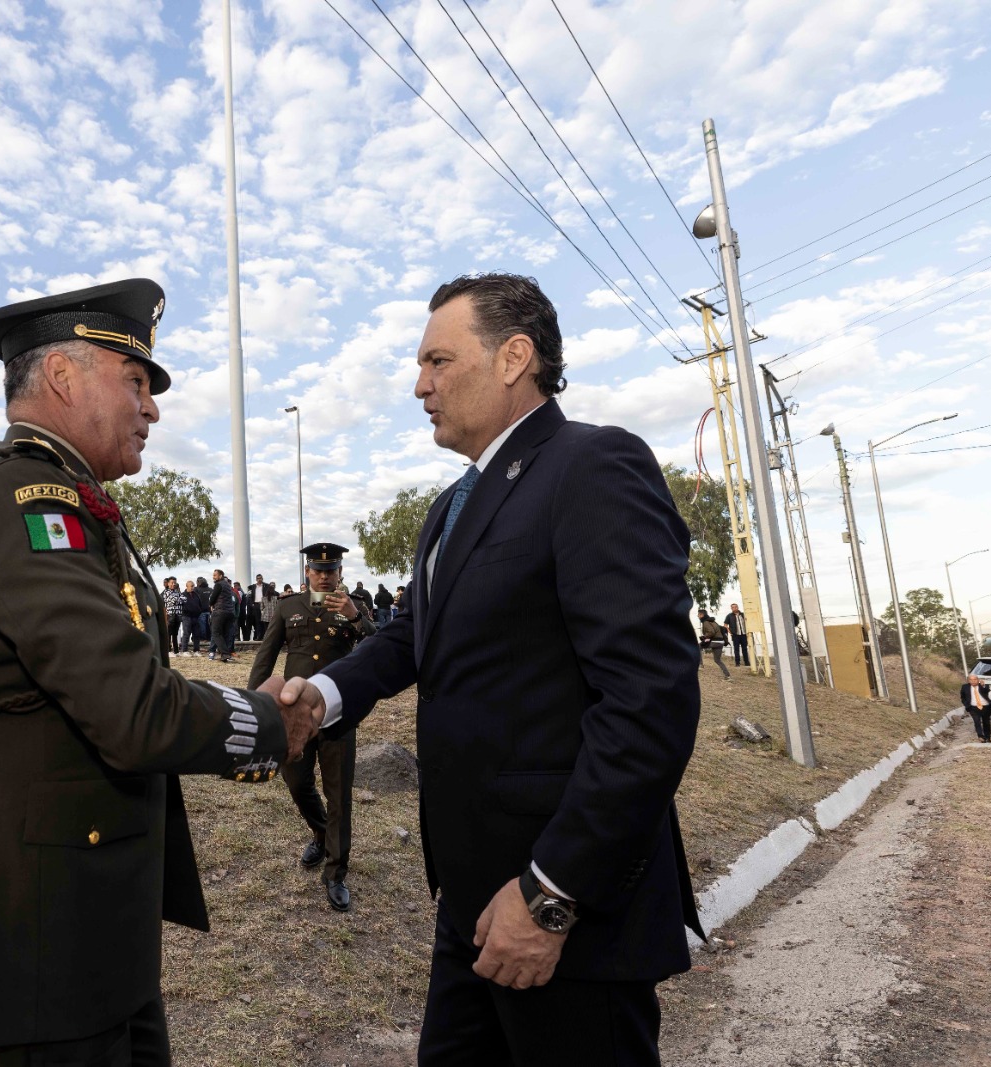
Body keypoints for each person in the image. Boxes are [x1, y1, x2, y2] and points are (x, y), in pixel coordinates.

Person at [274, 273, 703, 1065]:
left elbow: (650, 704)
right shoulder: (451, 506)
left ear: (514, 357)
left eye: (438, 360)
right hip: (469, 899)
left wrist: (549, 895)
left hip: (562, 911)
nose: (419, 385)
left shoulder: (592, 466)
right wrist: (322, 694)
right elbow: (414, 636)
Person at [0, 277, 311, 1065]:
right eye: (135, 381)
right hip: (32, 964)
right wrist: (267, 724)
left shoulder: (68, 499)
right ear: (61, 376)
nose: (151, 406)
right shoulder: (21, 496)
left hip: (84, 941)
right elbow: (130, 707)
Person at [248, 543, 376, 911]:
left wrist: (355, 617)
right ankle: (320, 833)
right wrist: (255, 702)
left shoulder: (354, 608)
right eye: (318, 570)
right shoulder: (288, 608)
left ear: (339, 572)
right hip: (294, 714)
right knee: (296, 782)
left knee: (339, 795)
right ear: (307, 572)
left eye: (331, 569)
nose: (324, 575)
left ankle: (336, 873)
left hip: (337, 713)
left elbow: (378, 646)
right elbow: (266, 654)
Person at [208, 567, 237, 662]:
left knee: (216, 633)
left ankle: (225, 654)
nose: (214, 577)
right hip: (230, 612)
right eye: (213, 575)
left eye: (215, 575)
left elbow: (212, 598)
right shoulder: (228, 585)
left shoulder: (218, 585)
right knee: (226, 634)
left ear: (220, 576)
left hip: (220, 612)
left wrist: (211, 604)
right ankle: (226, 654)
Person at [698, 610, 732, 681]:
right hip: (720, 642)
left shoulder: (706, 622)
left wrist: (704, 637)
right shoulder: (713, 621)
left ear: (701, 615)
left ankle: (701, 665)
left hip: (715, 641)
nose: (698, 616)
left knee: (698, 647)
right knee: (717, 660)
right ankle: (728, 676)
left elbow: (711, 632)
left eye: (698, 615)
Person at [961, 674, 991, 742]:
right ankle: (980, 736)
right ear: (968, 680)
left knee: (986, 722)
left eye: (975, 679)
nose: (973, 681)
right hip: (973, 707)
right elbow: (963, 697)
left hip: (985, 706)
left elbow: (986, 691)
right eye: (971, 680)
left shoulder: (982, 686)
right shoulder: (965, 687)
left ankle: (988, 737)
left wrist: (983, 685)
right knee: (977, 721)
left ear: (978, 680)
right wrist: (966, 704)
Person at [181, 577, 206, 655]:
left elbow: (200, 605)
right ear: (187, 586)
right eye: (191, 586)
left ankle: (196, 650)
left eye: (193, 586)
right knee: (186, 633)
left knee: (196, 634)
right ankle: (184, 650)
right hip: (186, 617)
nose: (192, 587)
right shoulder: (182, 595)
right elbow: (181, 606)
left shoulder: (196, 595)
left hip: (196, 617)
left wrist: (199, 612)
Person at [160, 576, 184, 655]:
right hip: (169, 615)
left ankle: (176, 651)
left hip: (178, 615)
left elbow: (184, 599)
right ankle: (168, 651)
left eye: (174, 583)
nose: (173, 584)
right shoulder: (165, 592)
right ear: (168, 583)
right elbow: (170, 600)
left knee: (175, 633)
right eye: (172, 583)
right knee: (168, 633)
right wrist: (178, 599)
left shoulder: (177, 592)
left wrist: (177, 599)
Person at [724, 603, 749, 667]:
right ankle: (737, 663)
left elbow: (748, 622)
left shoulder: (743, 614)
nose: (734, 608)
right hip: (735, 635)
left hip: (744, 634)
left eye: (735, 607)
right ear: (731, 608)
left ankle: (747, 662)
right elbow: (725, 625)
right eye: (733, 607)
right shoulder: (729, 616)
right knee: (736, 649)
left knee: (745, 649)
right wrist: (730, 632)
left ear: (738, 607)